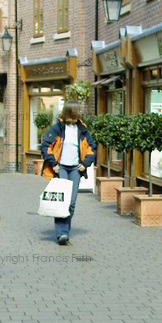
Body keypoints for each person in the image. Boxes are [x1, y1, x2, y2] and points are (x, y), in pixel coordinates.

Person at [40, 100, 96, 245]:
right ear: (72, 111)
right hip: (62, 168)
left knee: (71, 203)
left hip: (75, 169)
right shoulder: (57, 127)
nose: (80, 112)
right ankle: (62, 233)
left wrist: (85, 164)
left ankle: (65, 230)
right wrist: (54, 164)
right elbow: (46, 145)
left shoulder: (82, 129)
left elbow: (92, 147)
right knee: (62, 201)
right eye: (78, 110)